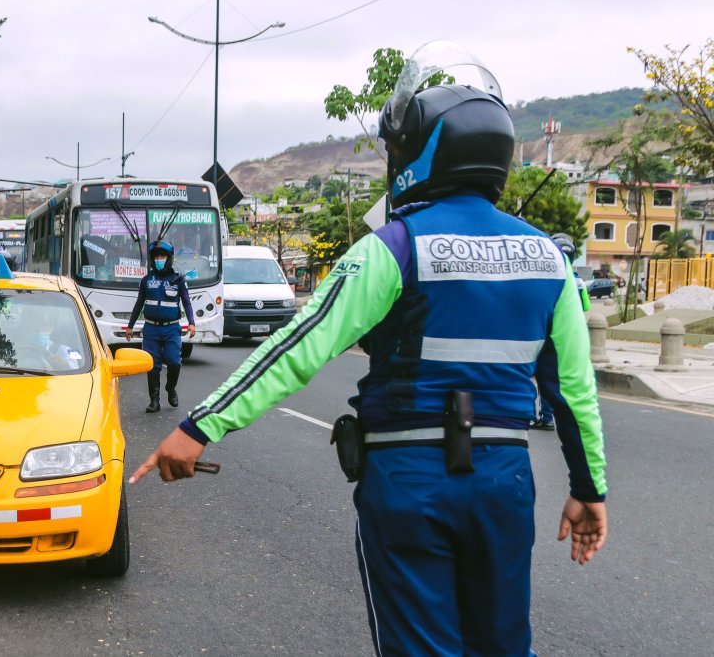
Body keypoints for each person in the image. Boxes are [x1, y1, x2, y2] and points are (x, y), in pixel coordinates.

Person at [129, 42, 608, 656]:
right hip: (504, 484)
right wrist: (590, 490)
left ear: (419, 154)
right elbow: (574, 393)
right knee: (504, 646)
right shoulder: (548, 258)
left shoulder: (394, 247)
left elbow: (298, 347)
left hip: (410, 480)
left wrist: (200, 425)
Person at [121, 241, 196, 413]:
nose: (159, 259)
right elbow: (139, 303)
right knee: (152, 366)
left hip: (171, 329)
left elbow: (187, 302)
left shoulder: (178, 279)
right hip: (151, 329)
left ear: (169, 258)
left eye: (162, 256)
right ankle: (154, 400)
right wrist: (130, 326)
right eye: (156, 256)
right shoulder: (147, 280)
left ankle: (171, 389)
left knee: (174, 362)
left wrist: (192, 323)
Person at [534, 233, 592, 431]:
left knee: (545, 375)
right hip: (572, 336)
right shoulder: (578, 281)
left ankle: (546, 416)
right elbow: (585, 307)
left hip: (549, 333)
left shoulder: (546, 279)